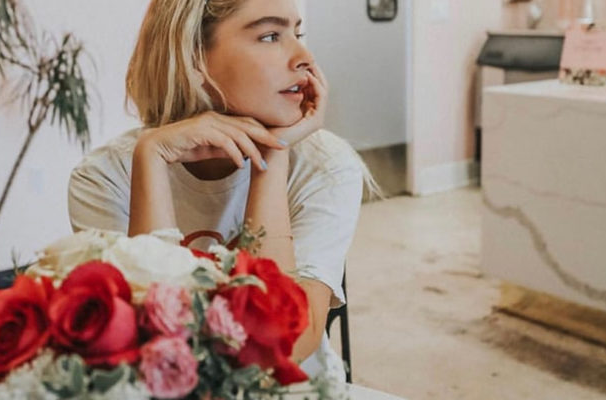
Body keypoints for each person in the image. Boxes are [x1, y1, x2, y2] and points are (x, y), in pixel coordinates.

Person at [68, 0, 379, 381]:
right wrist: (152, 158)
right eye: (270, 36)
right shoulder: (103, 178)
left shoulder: (327, 166)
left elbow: (284, 345)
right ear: (192, 57)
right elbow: (151, 348)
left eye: (297, 33)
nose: (305, 57)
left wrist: (273, 155)